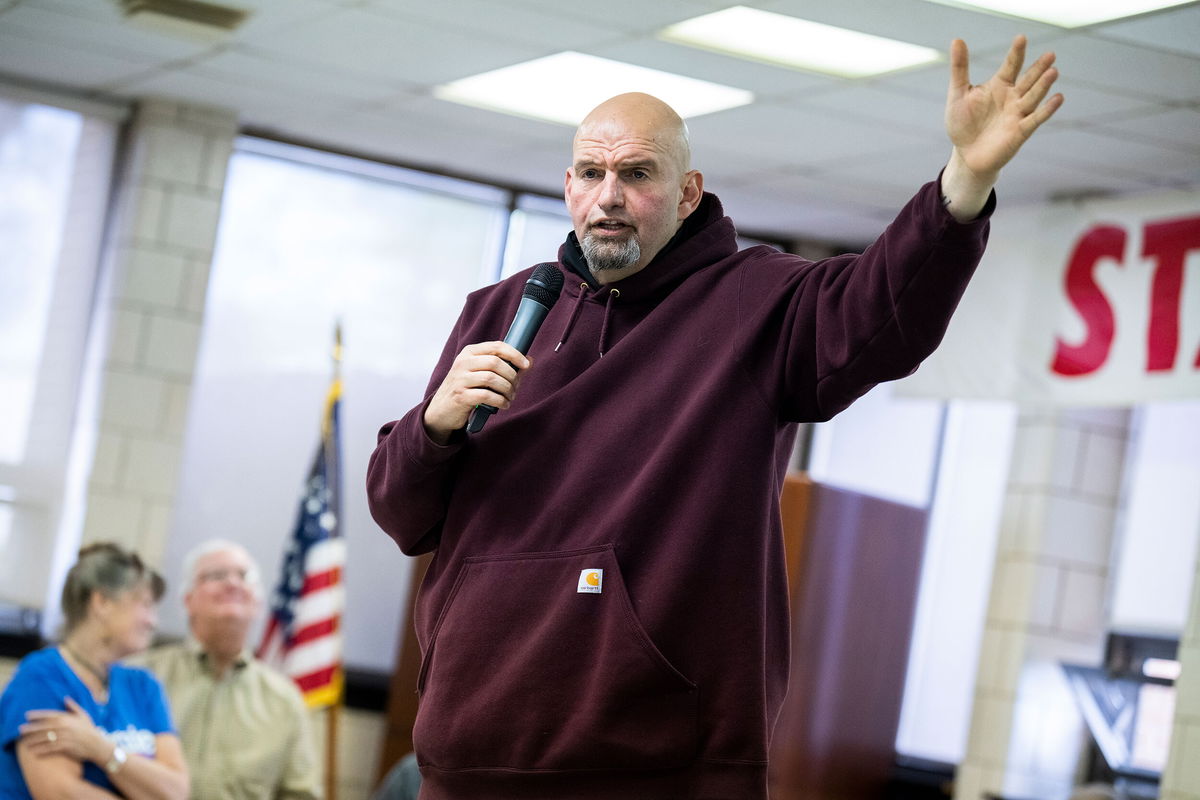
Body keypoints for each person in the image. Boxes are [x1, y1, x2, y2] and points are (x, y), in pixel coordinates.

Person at [367, 36, 1062, 800]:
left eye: (637, 175)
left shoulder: (758, 302)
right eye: (592, 174)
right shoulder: (500, 312)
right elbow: (403, 515)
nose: (609, 197)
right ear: (568, 186)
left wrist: (965, 179)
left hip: (660, 765)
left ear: (688, 191)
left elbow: (880, 313)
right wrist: (432, 425)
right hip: (469, 753)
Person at [133, 539, 322, 799]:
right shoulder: (138, 677)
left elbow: (301, 794)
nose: (233, 583)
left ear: (257, 603)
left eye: (244, 577)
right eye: (216, 575)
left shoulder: (284, 700)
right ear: (188, 600)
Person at [0, 542, 189, 799]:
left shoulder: (143, 686)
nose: (152, 621)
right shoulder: (41, 678)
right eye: (144, 604)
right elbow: (61, 793)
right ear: (101, 602)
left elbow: (175, 791)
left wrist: (100, 749)